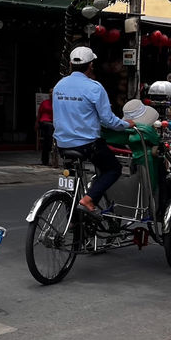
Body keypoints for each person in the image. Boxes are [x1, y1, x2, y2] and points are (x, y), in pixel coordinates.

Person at [52, 46, 135, 219]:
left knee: (75, 184)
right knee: (113, 169)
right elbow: (108, 120)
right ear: (90, 66)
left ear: (70, 64)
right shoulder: (95, 87)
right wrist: (127, 124)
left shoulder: (59, 85)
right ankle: (89, 199)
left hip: (62, 144)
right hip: (87, 145)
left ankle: (74, 221)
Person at [35, 89, 54, 166]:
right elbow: (39, 114)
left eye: (53, 92)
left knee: (48, 138)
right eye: (50, 92)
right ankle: (48, 148)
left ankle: (46, 159)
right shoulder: (45, 103)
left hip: (53, 123)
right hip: (44, 122)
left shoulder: (57, 104)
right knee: (49, 129)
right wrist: (36, 123)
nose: (51, 94)